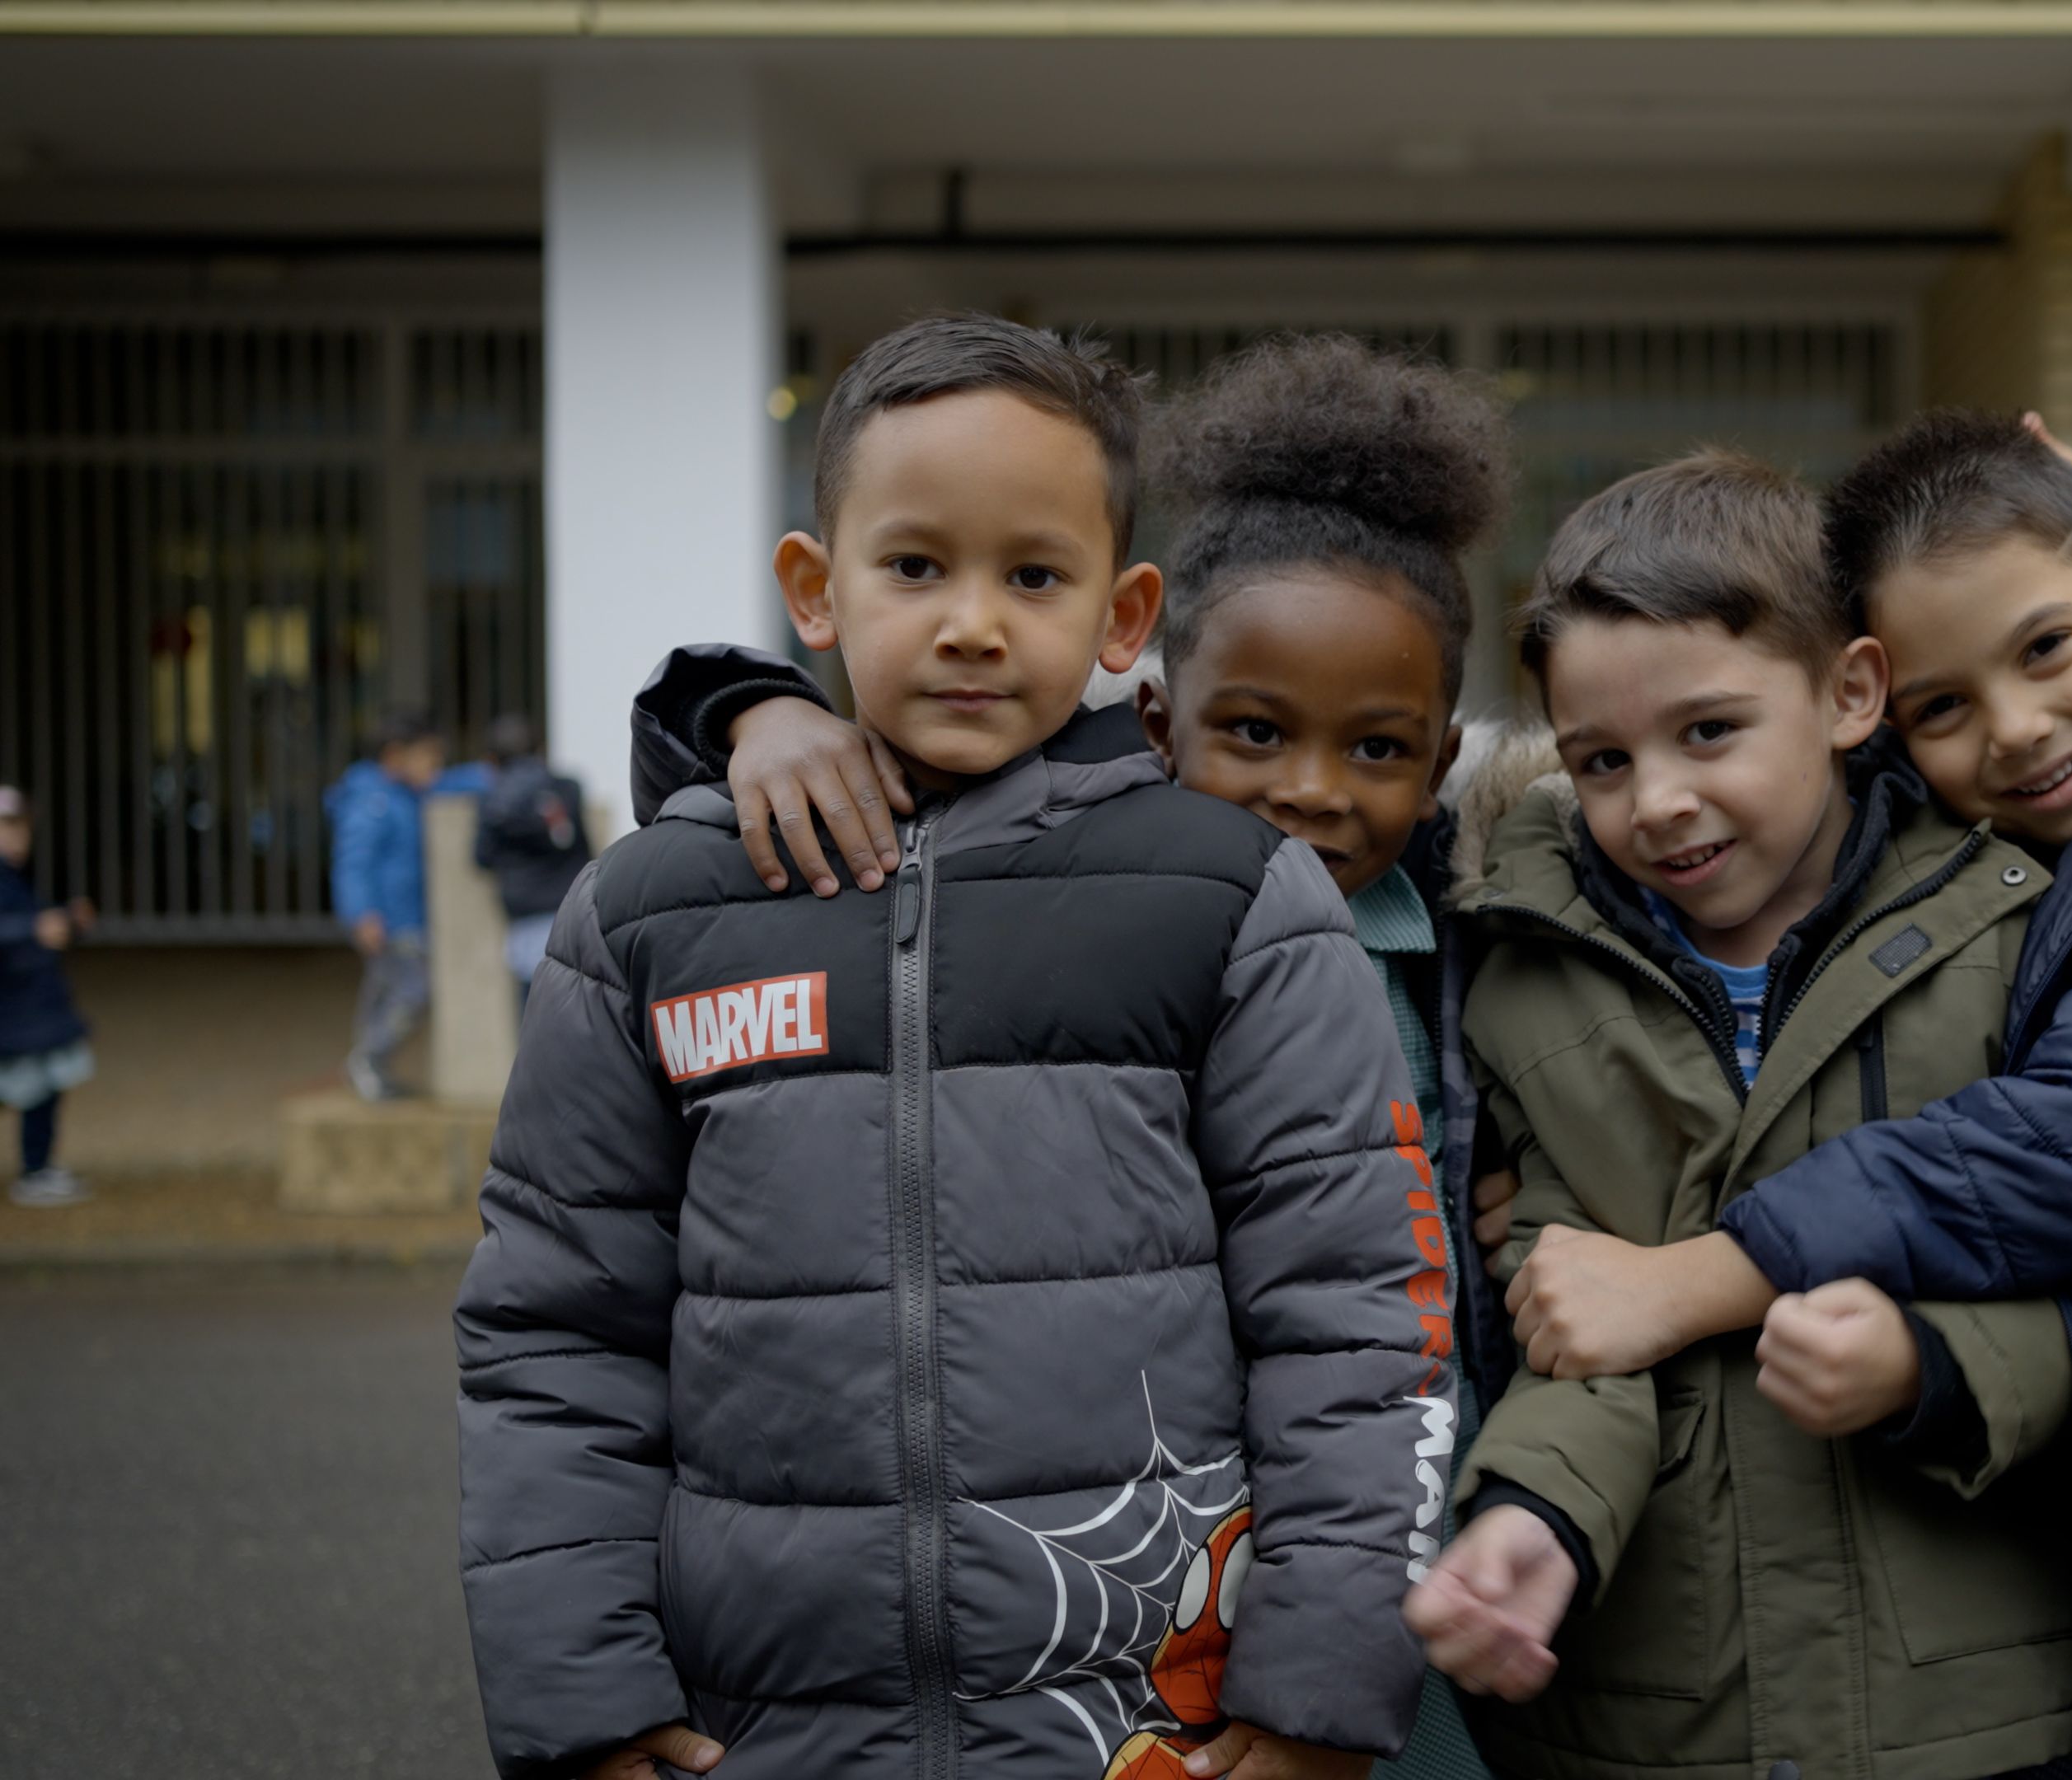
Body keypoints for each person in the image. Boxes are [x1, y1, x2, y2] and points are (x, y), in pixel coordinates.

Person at [452, 315, 1445, 1780]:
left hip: (1140, 1732)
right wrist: (578, 1694)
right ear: (816, 586)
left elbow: (1358, 1325)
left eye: (1033, 574)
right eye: (915, 566)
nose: (972, 621)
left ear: (1122, 616)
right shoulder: (653, 910)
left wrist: (1321, 1687)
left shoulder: (1237, 900)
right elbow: (555, 1332)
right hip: (757, 1730)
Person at [1469, 415, 2072, 1780]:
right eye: (1948, 705)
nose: (2015, 728)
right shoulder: (2018, 853)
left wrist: (1721, 1277)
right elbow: (1568, 1282)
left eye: (2048, 650)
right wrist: (1535, 1492)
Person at [1397, 450, 2072, 1780]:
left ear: (1850, 693)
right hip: (1661, 1721)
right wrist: (1533, 1518)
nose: (1656, 801)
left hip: (1971, 1717)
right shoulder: (1531, 980)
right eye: (1601, 760)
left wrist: (1933, 1364)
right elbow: (1575, 1316)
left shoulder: (2012, 929)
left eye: (1708, 732)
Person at [325, 711, 487, 1100]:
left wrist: (496, 773)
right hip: (392, 922)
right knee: (413, 990)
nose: (436, 767)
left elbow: (457, 782)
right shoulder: (372, 802)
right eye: (428, 757)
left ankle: (369, 1066)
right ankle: (368, 1060)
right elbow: (353, 862)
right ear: (396, 756)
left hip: (406, 918)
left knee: (384, 991)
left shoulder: (409, 791)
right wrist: (362, 915)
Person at [0, 785, 96, 1208]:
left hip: (30, 1012)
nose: (17, 837)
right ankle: (35, 1171)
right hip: (17, 1015)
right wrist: (34, 930)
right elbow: (20, 929)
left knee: (40, 1085)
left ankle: (37, 1169)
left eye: (20, 827)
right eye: (7, 827)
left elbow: (29, 925)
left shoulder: (13, 877)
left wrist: (64, 921)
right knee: (32, 1086)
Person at [471, 713, 593, 990]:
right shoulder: (567, 789)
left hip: (525, 919)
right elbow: (585, 849)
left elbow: (481, 858)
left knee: (533, 1006)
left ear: (491, 760)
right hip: (572, 913)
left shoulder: (493, 800)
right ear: (541, 750)